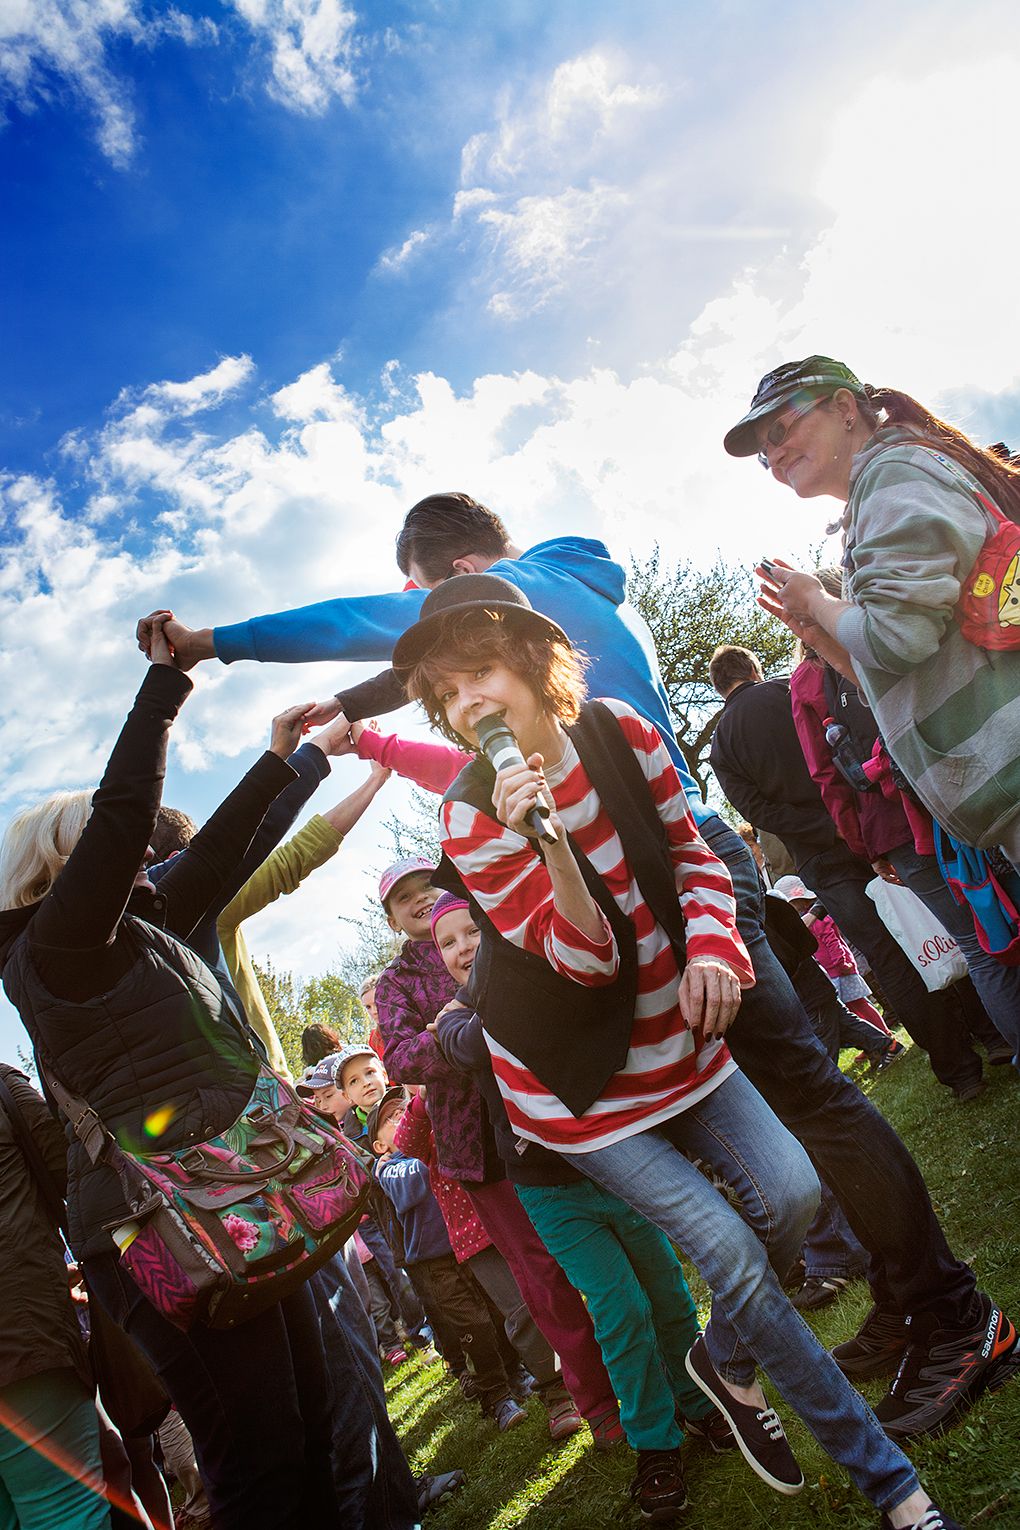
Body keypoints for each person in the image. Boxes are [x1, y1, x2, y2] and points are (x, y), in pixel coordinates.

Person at [137, 491, 1017, 1438]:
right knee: (787, 1113)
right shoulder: (563, 596)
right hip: (632, 890)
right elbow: (471, 749)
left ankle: (952, 1313)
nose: (459, 676)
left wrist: (210, 643)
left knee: (810, 1100)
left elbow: (355, 625)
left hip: (672, 867)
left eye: (424, 598)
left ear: (464, 578)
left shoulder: (521, 611)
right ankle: (899, 1296)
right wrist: (369, 730)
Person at [396, 571, 964, 1530]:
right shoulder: (469, 815)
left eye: (480, 672)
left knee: (793, 1197)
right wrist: (551, 845)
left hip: (682, 1040)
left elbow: (694, 853)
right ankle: (895, 1489)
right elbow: (583, 960)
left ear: (532, 663)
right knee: (732, 1255)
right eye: (448, 694)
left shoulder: (621, 732)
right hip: (579, 1091)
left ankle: (721, 1360)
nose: (468, 703)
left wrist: (714, 947)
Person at [0, 622, 342, 1530]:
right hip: (151, 1228)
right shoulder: (55, 950)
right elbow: (123, 814)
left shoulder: (141, 931)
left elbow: (225, 849)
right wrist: (165, 683)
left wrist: (289, 760)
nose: (142, 853)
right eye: (101, 847)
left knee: (307, 1423)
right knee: (256, 1462)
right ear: (58, 868)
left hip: (220, 1197)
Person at [429, 890, 734, 1523]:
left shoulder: (538, 976)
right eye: (447, 942)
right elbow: (470, 1045)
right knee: (620, 1309)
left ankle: (699, 1404)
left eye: (473, 931)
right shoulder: (459, 1023)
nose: (464, 947)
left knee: (669, 1293)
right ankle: (654, 1443)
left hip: (621, 1165)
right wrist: (469, 1008)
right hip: (551, 1192)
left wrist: (475, 1003)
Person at [726, 356, 1020, 870]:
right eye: (763, 455)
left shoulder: (890, 475)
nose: (773, 454)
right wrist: (824, 640)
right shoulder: (880, 490)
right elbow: (902, 666)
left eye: (778, 430)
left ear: (844, 408)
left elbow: (897, 639)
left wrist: (817, 600)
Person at [373, 856, 617, 1445]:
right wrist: (460, 1035)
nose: (420, 899)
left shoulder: (494, 923)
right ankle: (585, 1395)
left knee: (602, 1244)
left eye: (425, 884)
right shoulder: (395, 984)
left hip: (548, 1109)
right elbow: (399, 1058)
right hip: (476, 1143)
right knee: (536, 1273)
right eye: (403, 897)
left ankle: (643, 1361)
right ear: (392, 919)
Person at [708, 643, 986, 1097]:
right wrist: (841, 820)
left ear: (720, 688)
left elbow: (756, 811)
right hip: (864, 822)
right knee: (930, 924)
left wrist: (818, 830)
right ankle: (987, 1030)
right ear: (753, 668)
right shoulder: (788, 691)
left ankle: (958, 1070)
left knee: (885, 955)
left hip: (816, 855)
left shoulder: (721, 746)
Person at [785, 576, 1019, 1067]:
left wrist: (866, 846)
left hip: (891, 827)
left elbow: (826, 774)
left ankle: (1002, 1045)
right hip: (945, 789)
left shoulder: (804, 683)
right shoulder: (872, 635)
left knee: (975, 944)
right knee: (1005, 911)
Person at [367, 1085, 526, 1431]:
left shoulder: (431, 1146)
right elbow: (415, 1184)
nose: (402, 1117)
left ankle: (517, 1374)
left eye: (404, 1110)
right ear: (380, 1146)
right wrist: (439, 1150)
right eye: (392, 1118)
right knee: (473, 1325)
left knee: (497, 1312)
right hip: (433, 1263)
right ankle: (496, 1397)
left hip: (470, 1248)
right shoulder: (389, 1169)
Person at [0, 1064, 111, 1530]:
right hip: (21, 1344)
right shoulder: (3, 1087)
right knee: (63, 1512)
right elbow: (72, 1174)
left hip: (21, 1335)